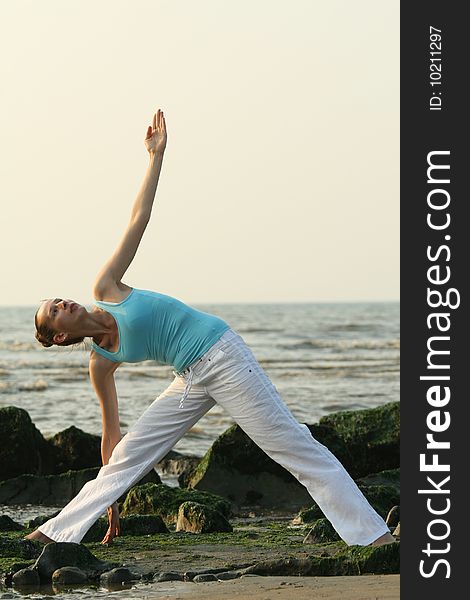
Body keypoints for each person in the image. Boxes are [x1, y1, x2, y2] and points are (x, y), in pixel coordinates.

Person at [26, 109, 395, 548]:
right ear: (61, 335)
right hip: (190, 378)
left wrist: (155, 158)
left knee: (293, 446)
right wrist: (113, 502)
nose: (62, 303)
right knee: (128, 454)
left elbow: (138, 220)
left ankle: (373, 536)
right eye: (54, 312)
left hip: (222, 355)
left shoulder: (106, 287)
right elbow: (111, 436)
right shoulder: (100, 363)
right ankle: (57, 532)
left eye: (56, 300)